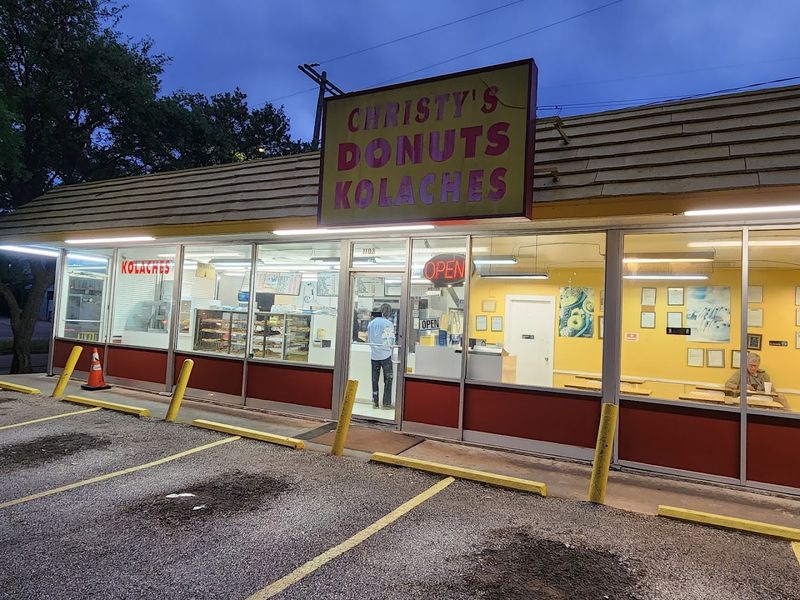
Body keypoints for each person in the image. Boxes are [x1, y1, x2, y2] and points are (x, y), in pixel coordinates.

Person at [724, 352, 789, 409]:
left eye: (755, 366)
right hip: (747, 398)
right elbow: (727, 384)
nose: (753, 368)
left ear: (759, 364)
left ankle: (789, 416)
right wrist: (742, 386)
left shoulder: (764, 375)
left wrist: (770, 392)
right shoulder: (740, 372)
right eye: (751, 365)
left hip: (762, 398)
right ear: (746, 363)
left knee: (781, 396)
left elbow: (773, 391)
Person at [367, 303, 395, 409]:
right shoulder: (388, 323)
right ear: (388, 312)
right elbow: (390, 341)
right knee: (388, 379)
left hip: (374, 355)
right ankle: (386, 403)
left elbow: (369, 340)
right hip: (386, 355)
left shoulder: (371, 323)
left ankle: (375, 402)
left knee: (375, 380)